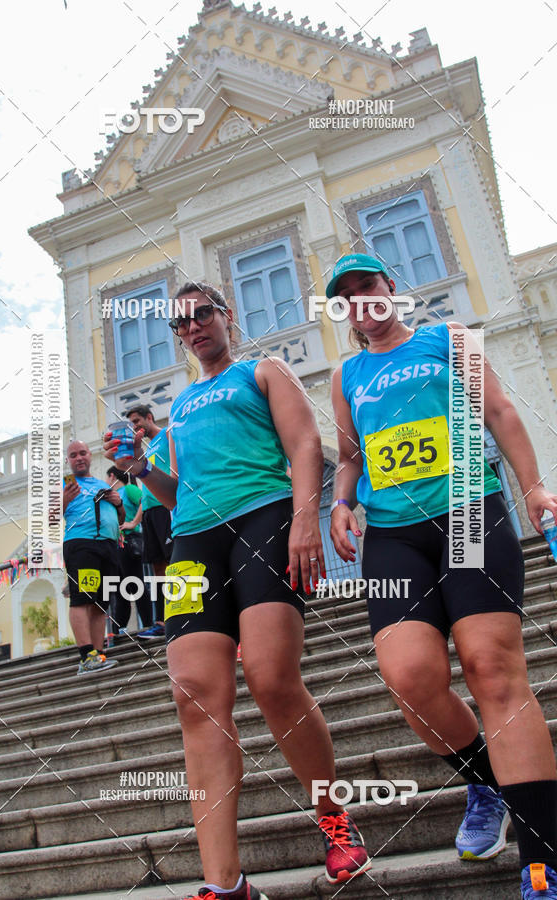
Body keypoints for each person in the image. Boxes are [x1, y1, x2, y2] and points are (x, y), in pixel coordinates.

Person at [105, 281, 371, 900]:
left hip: (264, 515)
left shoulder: (263, 370)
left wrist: (307, 517)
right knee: (195, 696)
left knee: (273, 679)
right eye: (182, 323)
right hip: (195, 539)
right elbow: (171, 493)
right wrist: (142, 467)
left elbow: (305, 443)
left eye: (203, 314)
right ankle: (226, 885)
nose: (193, 327)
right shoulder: (183, 405)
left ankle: (334, 822)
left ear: (225, 316)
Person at [327, 253, 557, 899]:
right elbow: (349, 456)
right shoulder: (348, 374)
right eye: (345, 296)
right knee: (411, 679)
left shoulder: (447, 338)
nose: (359, 299)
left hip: (466, 510)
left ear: (389, 288)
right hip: (394, 533)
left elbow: (501, 413)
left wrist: (534, 487)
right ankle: (485, 780)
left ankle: (543, 859)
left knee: (491, 668)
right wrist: (342, 502)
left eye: (366, 285)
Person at [62, 441, 122, 674]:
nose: (79, 458)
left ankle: (98, 654)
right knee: (82, 598)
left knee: (101, 602)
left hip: (108, 546)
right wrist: (64, 500)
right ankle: (86, 655)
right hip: (81, 544)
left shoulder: (101, 483)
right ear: (68, 460)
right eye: (73, 455)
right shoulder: (66, 484)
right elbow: (49, 519)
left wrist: (118, 504)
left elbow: (121, 515)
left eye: (83, 453)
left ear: (90, 456)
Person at [125, 404, 173, 638]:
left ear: (149, 418)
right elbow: (148, 485)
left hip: (168, 507)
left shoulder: (167, 435)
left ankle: (183, 615)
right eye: (132, 424)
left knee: (174, 560)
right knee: (156, 567)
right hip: (151, 512)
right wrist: (135, 521)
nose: (135, 427)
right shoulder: (147, 449)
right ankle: (162, 621)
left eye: (137, 421)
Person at [105, 465, 153, 634]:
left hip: (130, 542)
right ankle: (116, 629)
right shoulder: (113, 498)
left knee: (135, 583)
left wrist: (133, 523)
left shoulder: (129, 489)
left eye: (107, 478)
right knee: (119, 588)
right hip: (117, 545)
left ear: (112, 477)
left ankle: (148, 623)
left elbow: (144, 501)